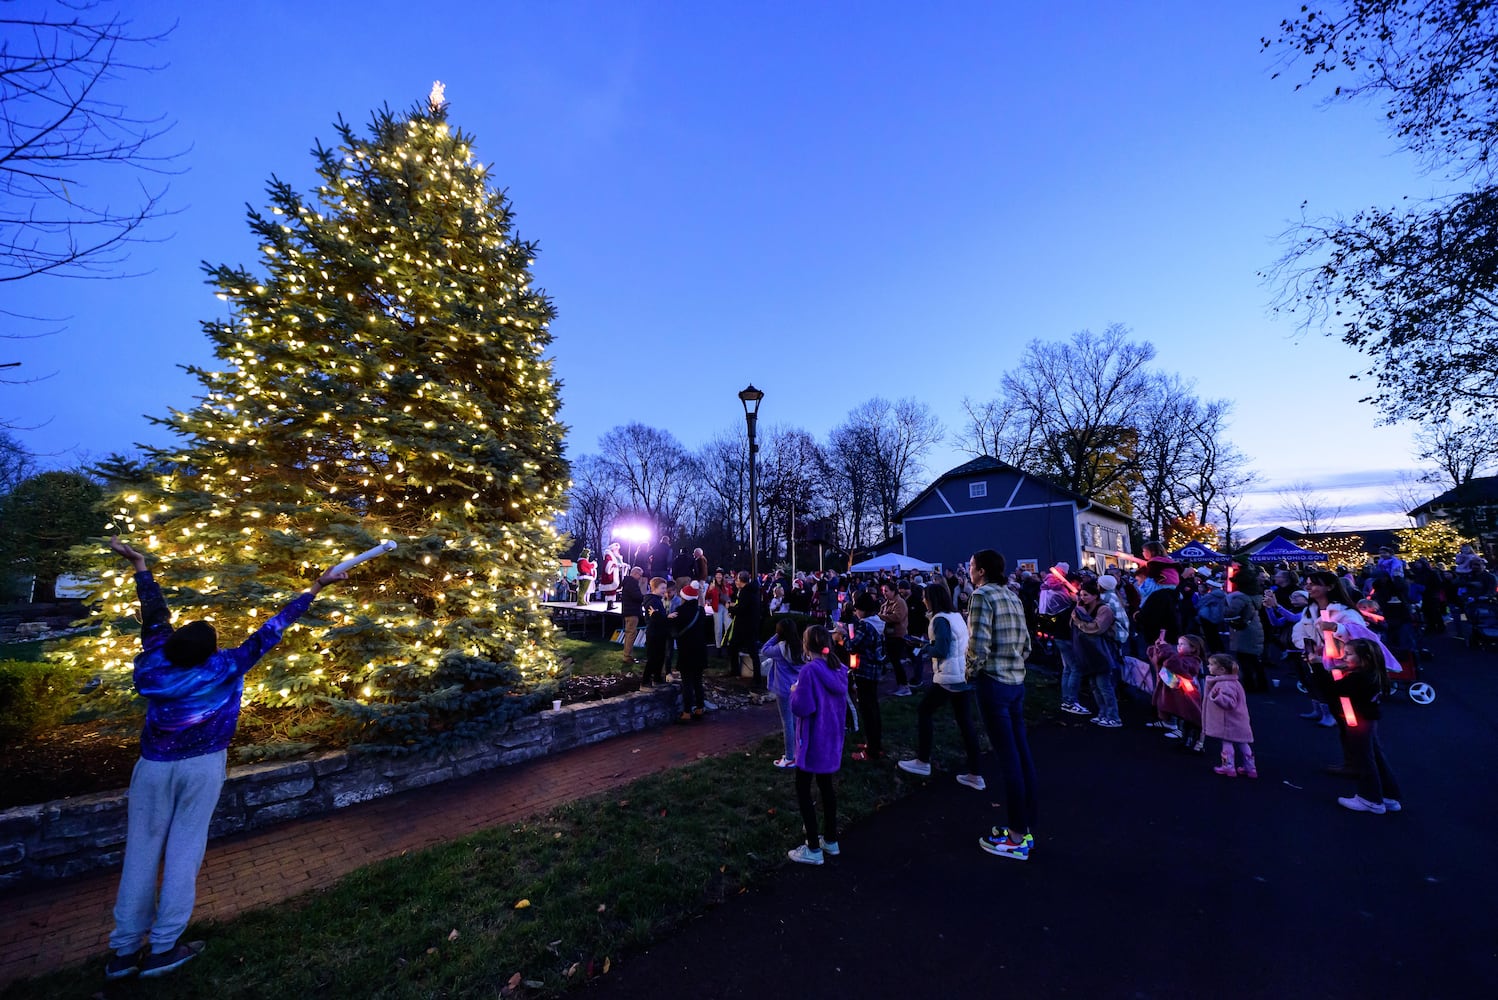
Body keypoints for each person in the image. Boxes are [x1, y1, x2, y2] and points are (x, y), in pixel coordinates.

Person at [103, 536, 346, 980]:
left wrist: (140, 565)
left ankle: (122, 952)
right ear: (210, 650)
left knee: (140, 850)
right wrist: (317, 586)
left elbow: (154, 612)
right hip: (201, 767)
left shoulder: (153, 663)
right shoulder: (226, 666)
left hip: (152, 768)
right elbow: (273, 628)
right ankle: (162, 948)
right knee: (184, 852)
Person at [968, 550, 1038, 861]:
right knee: (1022, 754)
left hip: (994, 682)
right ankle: (1024, 824)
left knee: (1008, 758)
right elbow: (1027, 643)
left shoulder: (982, 595)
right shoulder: (1012, 596)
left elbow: (978, 643)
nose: (969, 571)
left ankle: (1016, 837)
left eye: (971, 566)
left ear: (981, 571)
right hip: (1016, 682)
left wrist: (972, 671)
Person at [897, 581, 985, 789]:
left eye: (925, 596)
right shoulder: (955, 616)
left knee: (924, 711)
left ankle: (923, 761)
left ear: (932, 599)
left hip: (949, 677)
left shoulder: (939, 620)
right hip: (962, 674)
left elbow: (942, 649)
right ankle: (975, 773)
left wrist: (924, 648)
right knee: (965, 723)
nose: (923, 600)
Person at [787, 625, 848, 865]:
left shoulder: (810, 671)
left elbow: (803, 707)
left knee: (803, 788)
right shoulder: (838, 669)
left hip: (812, 738)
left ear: (806, 645)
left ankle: (812, 846)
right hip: (832, 735)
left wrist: (794, 692)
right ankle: (830, 839)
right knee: (826, 787)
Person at [1332, 638, 1404, 814]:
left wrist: (1323, 668)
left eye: (1348, 654)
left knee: (1363, 758)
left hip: (1358, 719)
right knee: (1375, 755)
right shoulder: (1374, 674)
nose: (1343, 657)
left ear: (1364, 659)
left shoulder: (1358, 678)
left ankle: (1370, 798)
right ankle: (1389, 795)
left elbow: (1334, 689)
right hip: (1369, 718)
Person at [840, 591, 888, 761]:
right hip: (874, 670)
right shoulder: (877, 623)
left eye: (857, 609)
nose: (855, 612)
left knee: (867, 710)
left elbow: (853, 646)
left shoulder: (865, 626)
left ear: (863, 610)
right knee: (873, 707)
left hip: (865, 671)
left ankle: (871, 751)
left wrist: (842, 637)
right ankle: (874, 743)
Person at [1067, 579, 1122, 727]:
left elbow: (1097, 628)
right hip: (1087, 651)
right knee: (1094, 686)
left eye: (1085, 595)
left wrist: (1080, 620)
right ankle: (1102, 713)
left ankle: (1113, 716)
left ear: (1095, 596)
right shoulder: (1082, 608)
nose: (1082, 598)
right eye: (1081, 595)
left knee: (1104, 685)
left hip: (1102, 651)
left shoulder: (1104, 609)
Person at [1149, 632, 1206, 751]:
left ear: (1193, 648)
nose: (1178, 647)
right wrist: (1158, 648)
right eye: (1178, 644)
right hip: (1179, 693)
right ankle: (1185, 740)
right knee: (1184, 719)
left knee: (1191, 719)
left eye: (1182, 644)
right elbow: (1161, 662)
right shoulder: (1181, 657)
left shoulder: (1194, 660)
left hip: (1188, 694)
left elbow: (1174, 665)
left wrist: (1166, 649)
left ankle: (1193, 743)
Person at [1203, 653, 1256, 778]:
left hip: (1228, 722)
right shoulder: (1235, 682)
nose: (1208, 666)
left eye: (1211, 664)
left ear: (1221, 669)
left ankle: (1228, 767)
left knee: (1227, 743)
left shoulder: (1225, 684)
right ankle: (1250, 768)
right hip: (1239, 720)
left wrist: (1216, 697)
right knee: (1243, 743)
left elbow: (1229, 703)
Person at [762, 618, 805, 768]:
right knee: (796, 721)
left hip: (783, 689)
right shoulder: (800, 646)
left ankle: (789, 756)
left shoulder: (779, 649)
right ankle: (799, 751)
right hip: (798, 687)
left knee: (787, 723)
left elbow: (764, 649)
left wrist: (776, 635)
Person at [669, 580, 710, 721]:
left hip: (686, 651)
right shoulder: (700, 611)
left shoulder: (680, 612)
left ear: (683, 597)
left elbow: (673, 628)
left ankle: (687, 712)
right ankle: (700, 707)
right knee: (698, 680)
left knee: (687, 682)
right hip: (700, 650)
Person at [879, 581, 913, 697]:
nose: (884, 593)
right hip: (889, 636)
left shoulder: (900, 602)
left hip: (898, 636)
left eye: (886, 591)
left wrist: (880, 617)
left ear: (893, 591)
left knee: (896, 662)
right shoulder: (886, 604)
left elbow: (897, 617)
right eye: (883, 591)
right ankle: (901, 685)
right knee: (894, 661)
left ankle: (904, 686)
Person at [728, 570, 762, 681]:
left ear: (741, 580)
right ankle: (756, 676)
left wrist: (731, 609)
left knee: (734, 646)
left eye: (737, 579)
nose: (736, 581)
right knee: (752, 651)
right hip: (752, 625)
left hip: (744, 626)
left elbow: (742, 609)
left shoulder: (745, 592)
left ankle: (736, 670)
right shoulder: (753, 591)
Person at [641, 577, 670, 687]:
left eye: (665, 588)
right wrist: (667, 617)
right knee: (653, 658)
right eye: (662, 588)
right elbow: (655, 618)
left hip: (659, 633)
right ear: (655, 588)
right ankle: (645, 682)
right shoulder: (652, 601)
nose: (664, 590)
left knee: (659, 657)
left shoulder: (657, 600)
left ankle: (657, 678)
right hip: (654, 633)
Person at [619, 566, 645, 665]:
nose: (640, 577)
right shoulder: (632, 583)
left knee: (629, 633)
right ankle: (627, 656)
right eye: (640, 575)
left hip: (628, 611)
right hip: (632, 612)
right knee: (631, 634)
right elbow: (637, 596)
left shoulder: (627, 582)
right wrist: (644, 597)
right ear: (635, 574)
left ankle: (627, 655)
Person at [598, 541, 625, 611]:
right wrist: (614, 565)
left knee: (612, 590)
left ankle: (611, 604)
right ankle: (610, 605)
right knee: (610, 590)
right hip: (610, 575)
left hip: (612, 574)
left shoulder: (613, 556)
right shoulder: (609, 555)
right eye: (616, 549)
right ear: (613, 549)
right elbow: (608, 564)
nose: (618, 551)